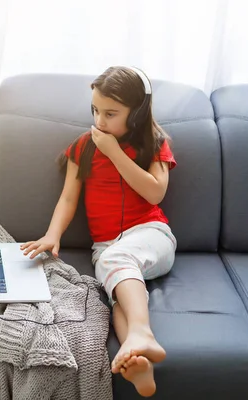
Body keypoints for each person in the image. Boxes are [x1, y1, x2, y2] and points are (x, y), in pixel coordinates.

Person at [20, 66, 177, 398]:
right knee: (114, 291)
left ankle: (141, 333)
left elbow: (155, 193)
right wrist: (52, 235)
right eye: (95, 110)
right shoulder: (84, 146)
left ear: (136, 115)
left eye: (111, 113)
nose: (100, 120)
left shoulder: (156, 143)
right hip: (107, 247)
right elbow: (68, 198)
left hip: (151, 234)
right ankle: (137, 357)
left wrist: (114, 152)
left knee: (115, 259)